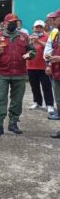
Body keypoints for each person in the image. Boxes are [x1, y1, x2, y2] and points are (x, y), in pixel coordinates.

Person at [0, 13, 36, 137]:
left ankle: (13, 123)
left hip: (19, 74)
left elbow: (32, 50)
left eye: (16, 22)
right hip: (2, 73)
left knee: (17, 100)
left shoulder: (24, 37)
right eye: (11, 22)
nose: (14, 24)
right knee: (0, 99)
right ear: (5, 23)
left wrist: (30, 54)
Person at [27, 20, 54, 114]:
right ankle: (37, 102)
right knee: (34, 87)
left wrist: (38, 41)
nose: (38, 29)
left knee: (46, 86)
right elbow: (26, 49)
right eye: (36, 27)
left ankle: (49, 105)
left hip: (44, 67)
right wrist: (30, 43)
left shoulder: (48, 37)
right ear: (33, 28)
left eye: (40, 27)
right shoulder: (29, 37)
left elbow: (50, 48)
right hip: (31, 66)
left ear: (43, 28)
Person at [44, 9, 60, 137]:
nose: (52, 21)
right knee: (59, 101)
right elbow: (54, 50)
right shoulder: (56, 33)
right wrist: (49, 61)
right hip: (56, 72)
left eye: (54, 19)